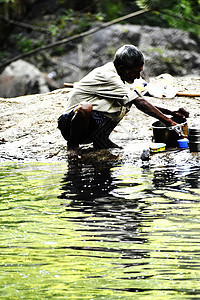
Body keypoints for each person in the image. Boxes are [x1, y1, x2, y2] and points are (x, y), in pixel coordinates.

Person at [58, 44, 189, 157]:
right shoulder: (108, 75)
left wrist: (171, 112)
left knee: (127, 102)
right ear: (121, 68)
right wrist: (169, 122)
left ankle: (101, 140)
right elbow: (140, 103)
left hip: (89, 126)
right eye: (135, 72)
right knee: (84, 108)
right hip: (70, 126)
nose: (138, 77)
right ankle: (72, 145)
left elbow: (140, 100)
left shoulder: (122, 78)